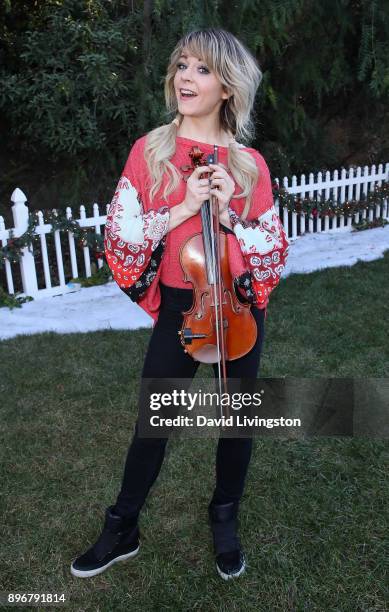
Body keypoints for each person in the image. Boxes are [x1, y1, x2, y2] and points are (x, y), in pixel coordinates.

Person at [70, 27, 289, 581]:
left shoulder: (249, 166)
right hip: (180, 307)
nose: (186, 77)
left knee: (237, 421)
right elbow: (121, 240)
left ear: (228, 87)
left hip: (238, 308)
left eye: (203, 69)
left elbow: (272, 250)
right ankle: (122, 526)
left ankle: (224, 517)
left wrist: (228, 217)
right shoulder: (151, 152)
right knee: (154, 421)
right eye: (182, 66)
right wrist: (183, 204)